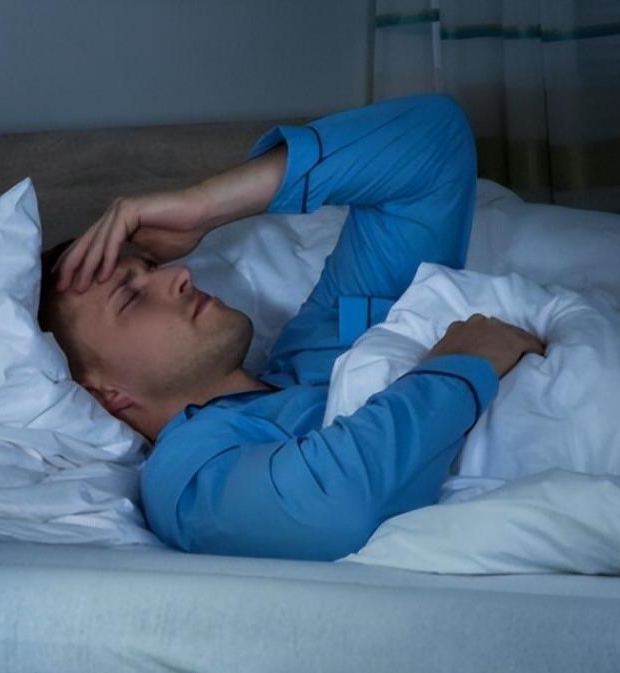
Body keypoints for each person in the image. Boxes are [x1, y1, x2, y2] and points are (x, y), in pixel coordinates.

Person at [41, 94, 545, 561]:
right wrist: (463, 363)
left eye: (152, 267)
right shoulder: (188, 472)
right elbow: (336, 505)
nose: (178, 277)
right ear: (107, 394)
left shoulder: (320, 341)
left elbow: (432, 141)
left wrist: (205, 205)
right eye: (131, 297)